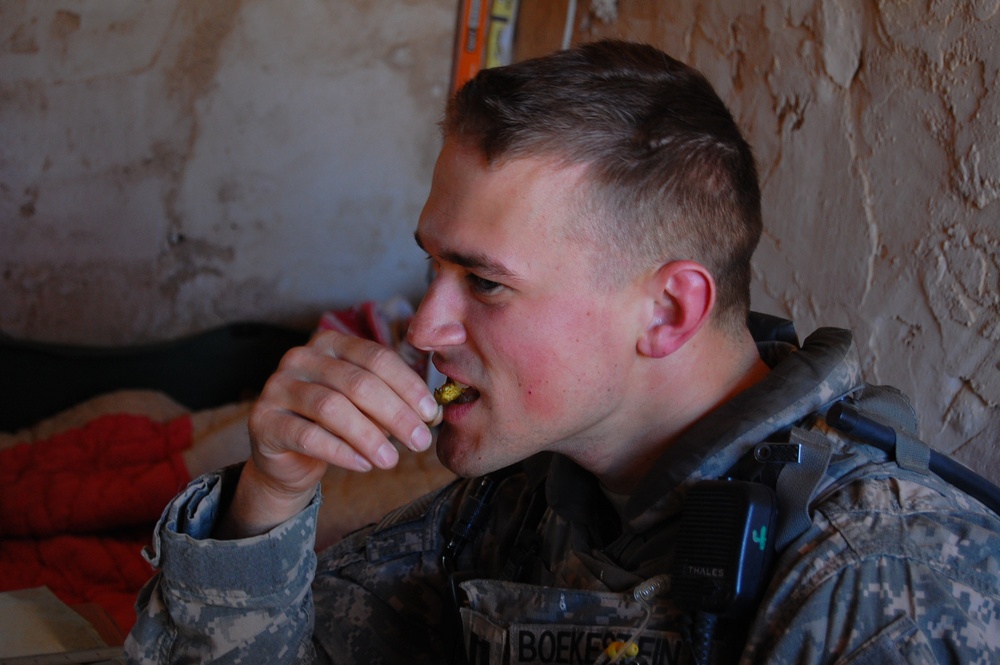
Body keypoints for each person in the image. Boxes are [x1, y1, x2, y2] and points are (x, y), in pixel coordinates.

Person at [125, 40, 999, 664]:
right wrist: (268, 499)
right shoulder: (522, 498)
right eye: (433, 266)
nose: (424, 327)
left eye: (485, 282)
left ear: (666, 311)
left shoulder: (880, 586)